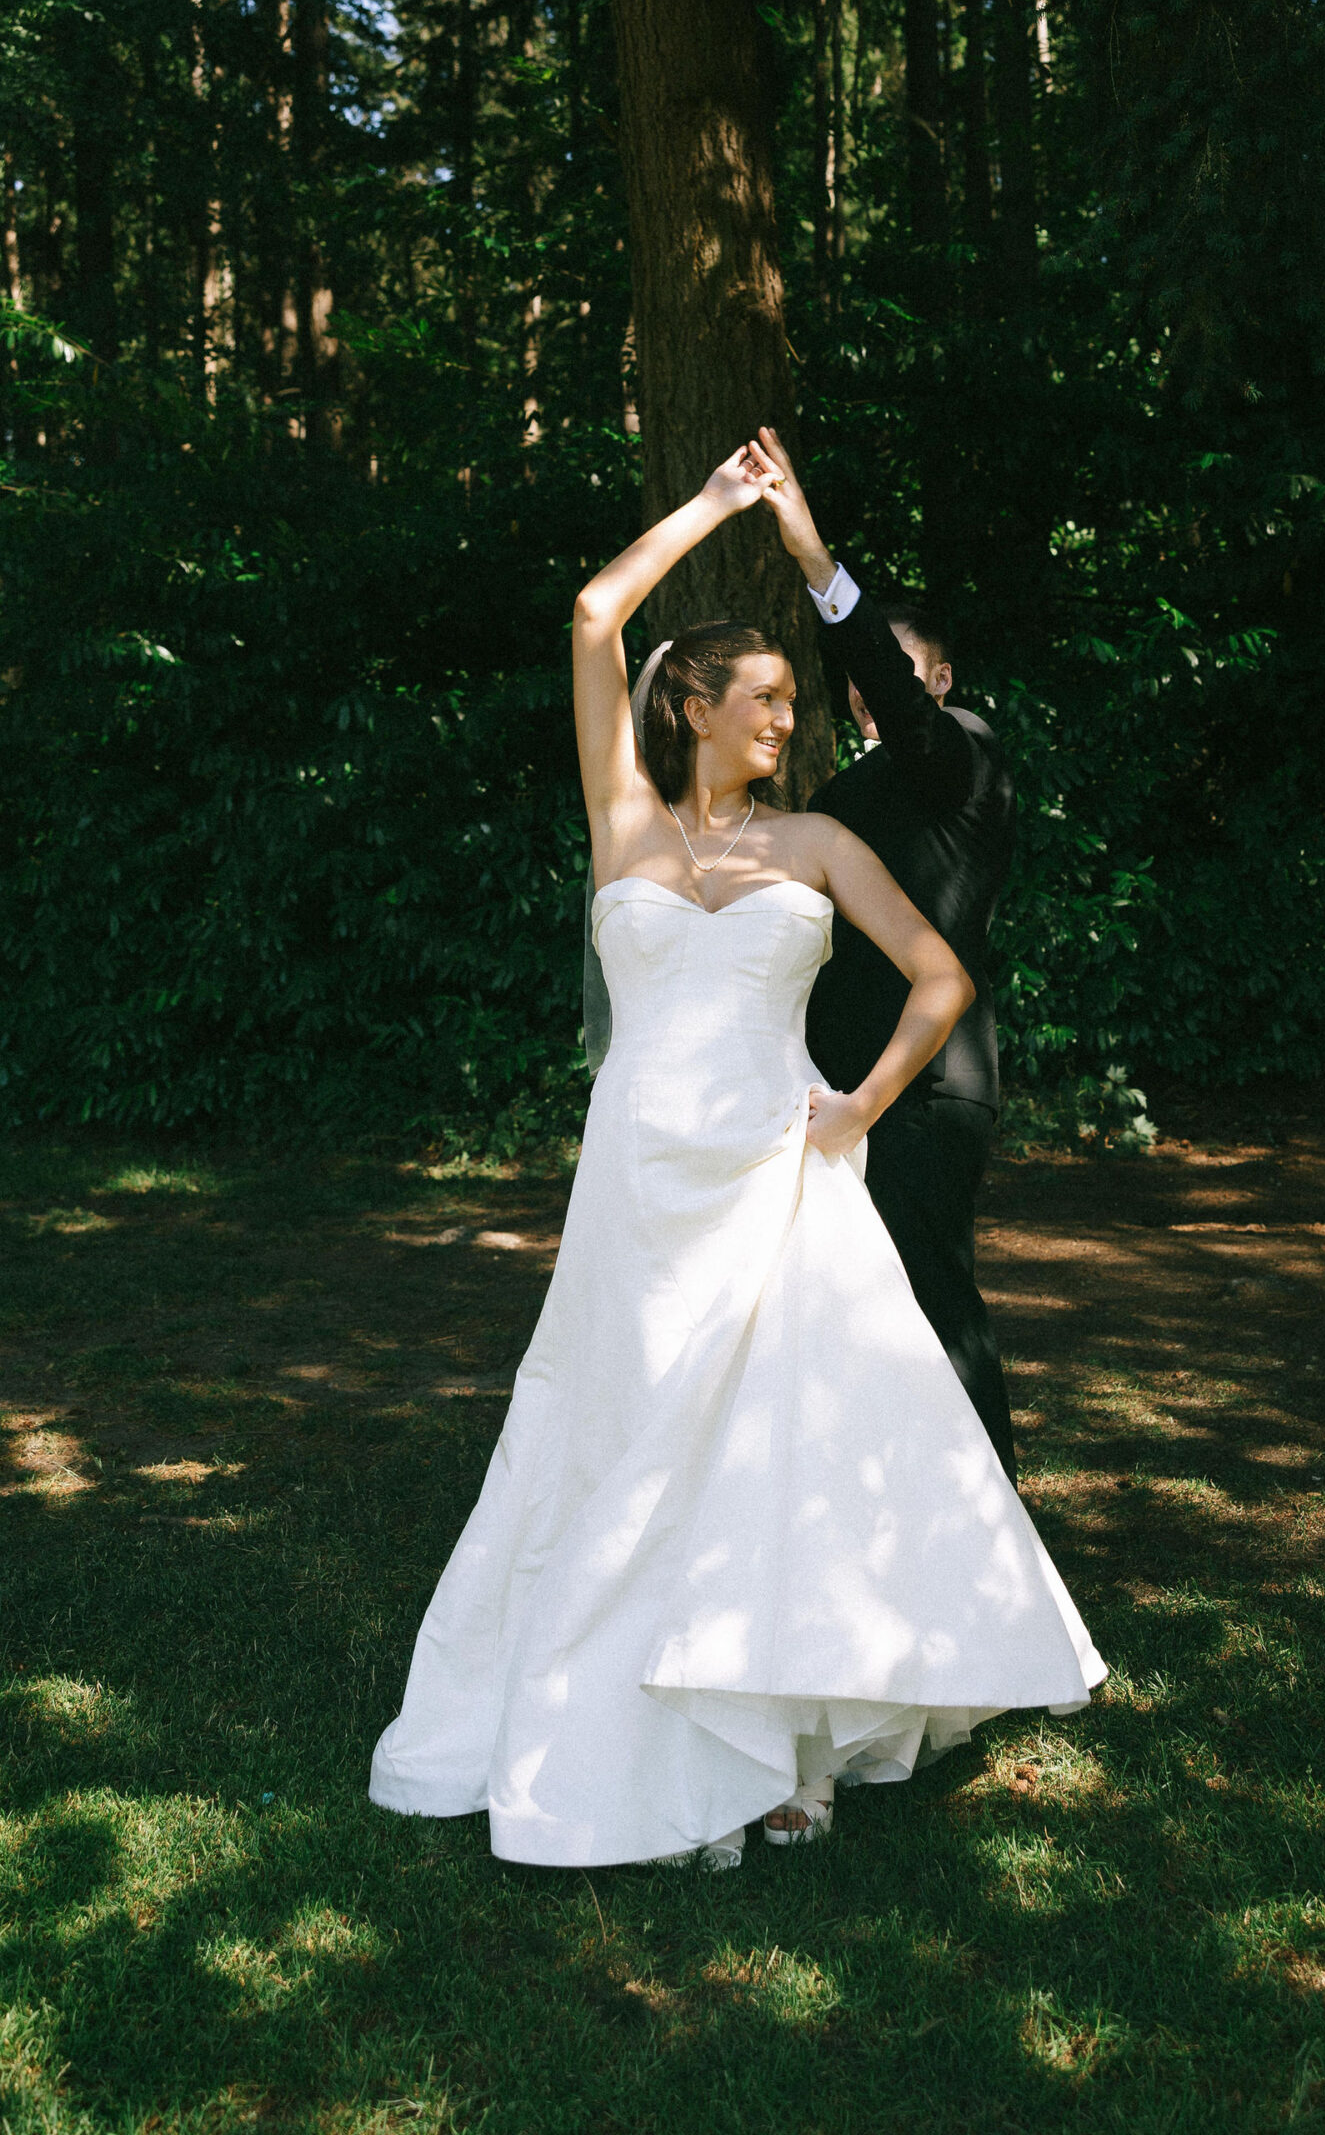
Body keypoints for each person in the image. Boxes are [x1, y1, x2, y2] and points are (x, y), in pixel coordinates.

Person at [369, 444, 1104, 1869]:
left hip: (776, 1172)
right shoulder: (622, 828)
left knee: (776, 1451)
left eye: (789, 696)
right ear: (689, 706)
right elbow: (594, 617)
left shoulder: (821, 839)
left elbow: (938, 977)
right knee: (619, 1423)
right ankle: (598, 1693)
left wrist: (858, 1106)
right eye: (763, 698)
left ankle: (783, 1745)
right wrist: (713, 512)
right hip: (637, 1185)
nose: (787, 717)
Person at [756, 426, 1020, 1481]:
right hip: (833, 1083)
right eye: (868, 679)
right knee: (856, 1309)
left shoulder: (964, 755)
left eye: (899, 673)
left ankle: (994, 1525)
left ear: (941, 677)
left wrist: (816, 561)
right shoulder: (838, 795)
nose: (875, 690)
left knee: (932, 1296)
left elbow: (903, 708)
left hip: (923, 1086)